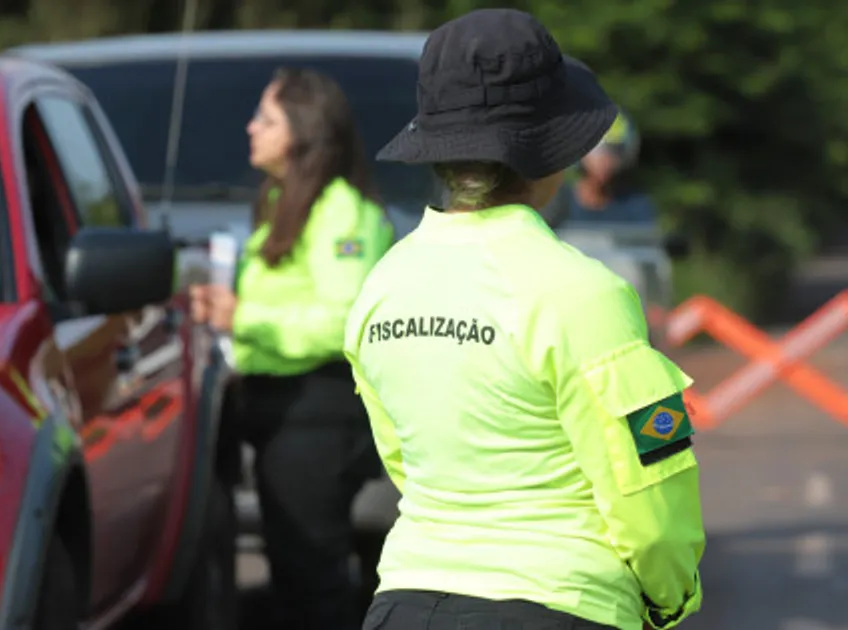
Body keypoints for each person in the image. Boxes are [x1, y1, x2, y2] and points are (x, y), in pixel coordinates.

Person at [344, 9, 704, 630]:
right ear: (552, 155)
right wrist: (671, 596)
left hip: (404, 600)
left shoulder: (381, 288)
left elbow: (406, 460)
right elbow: (650, 475)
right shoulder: (586, 294)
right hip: (559, 600)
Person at [189, 66, 395, 629]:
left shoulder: (341, 213)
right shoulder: (283, 201)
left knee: (313, 578)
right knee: (292, 570)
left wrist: (243, 317)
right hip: (278, 407)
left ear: (303, 130)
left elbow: (345, 321)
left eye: (267, 118)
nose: (251, 128)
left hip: (319, 409)